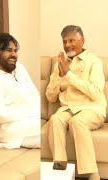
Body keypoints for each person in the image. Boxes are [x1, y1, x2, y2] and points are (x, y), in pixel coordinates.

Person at [46, 25, 106, 180]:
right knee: (55, 119)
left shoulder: (94, 62)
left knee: (77, 122)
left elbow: (95, 92)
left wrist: (69, 74)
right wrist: (59, 75)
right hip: (68, 108)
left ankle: (92, 175)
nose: (67, 45)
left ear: (82, 40)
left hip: (92, 109)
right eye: (64, 42)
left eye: (71, 40)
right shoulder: (60, 63)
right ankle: (60, 168)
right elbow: (50, 97)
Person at [0, 32, 40, 149]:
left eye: (15, 51)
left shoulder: (19, 68)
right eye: (8, 50)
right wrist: (29, 112)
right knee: (53, 134)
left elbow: (35, 97)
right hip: (11, 130)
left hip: (32, 121)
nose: (14, 55)